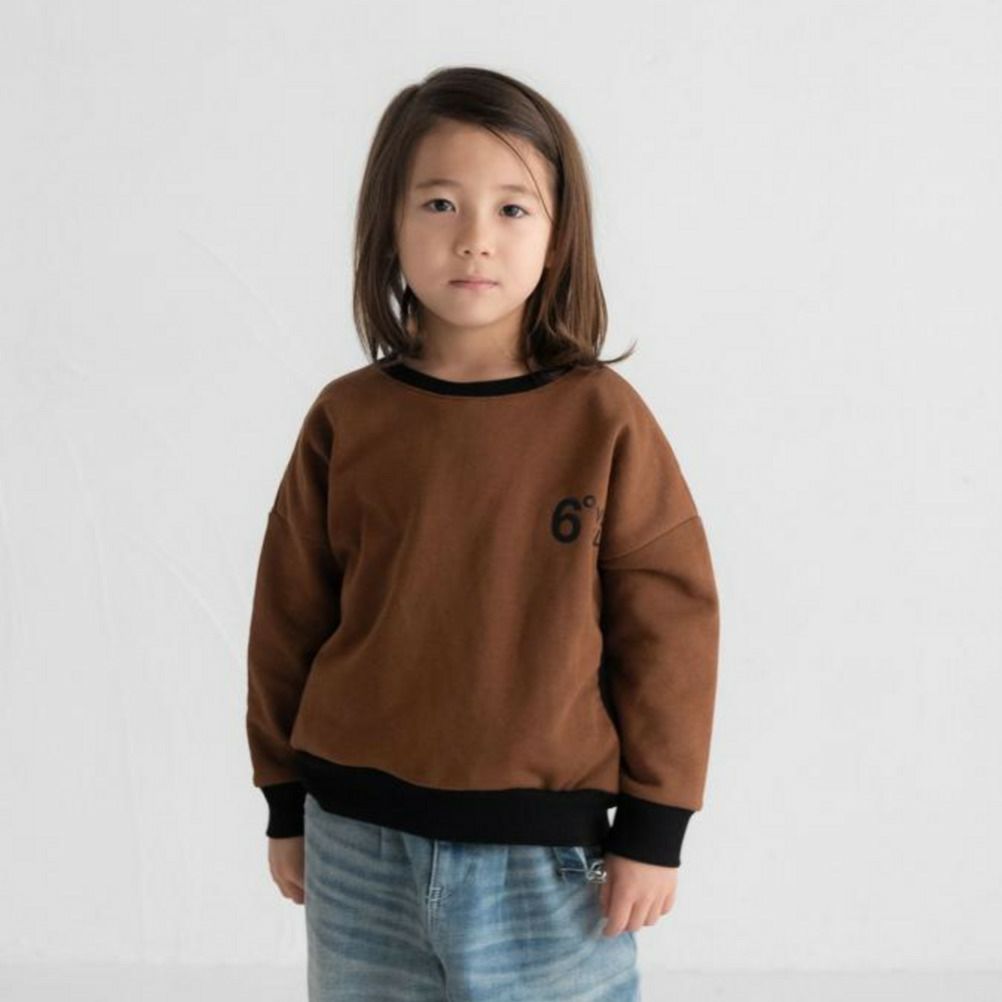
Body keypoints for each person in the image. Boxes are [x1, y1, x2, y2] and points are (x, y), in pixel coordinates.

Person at [246, 65, 720, 1002]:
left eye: (512, 208)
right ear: (387, 224)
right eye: (439, 203)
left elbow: (670, 630)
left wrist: (655, 828)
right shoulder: (349, 418)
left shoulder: (603, 420)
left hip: (547, 862)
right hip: (356, 842)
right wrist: (285, 802)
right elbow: (288, 616)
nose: (474, 237)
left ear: (558, 234)